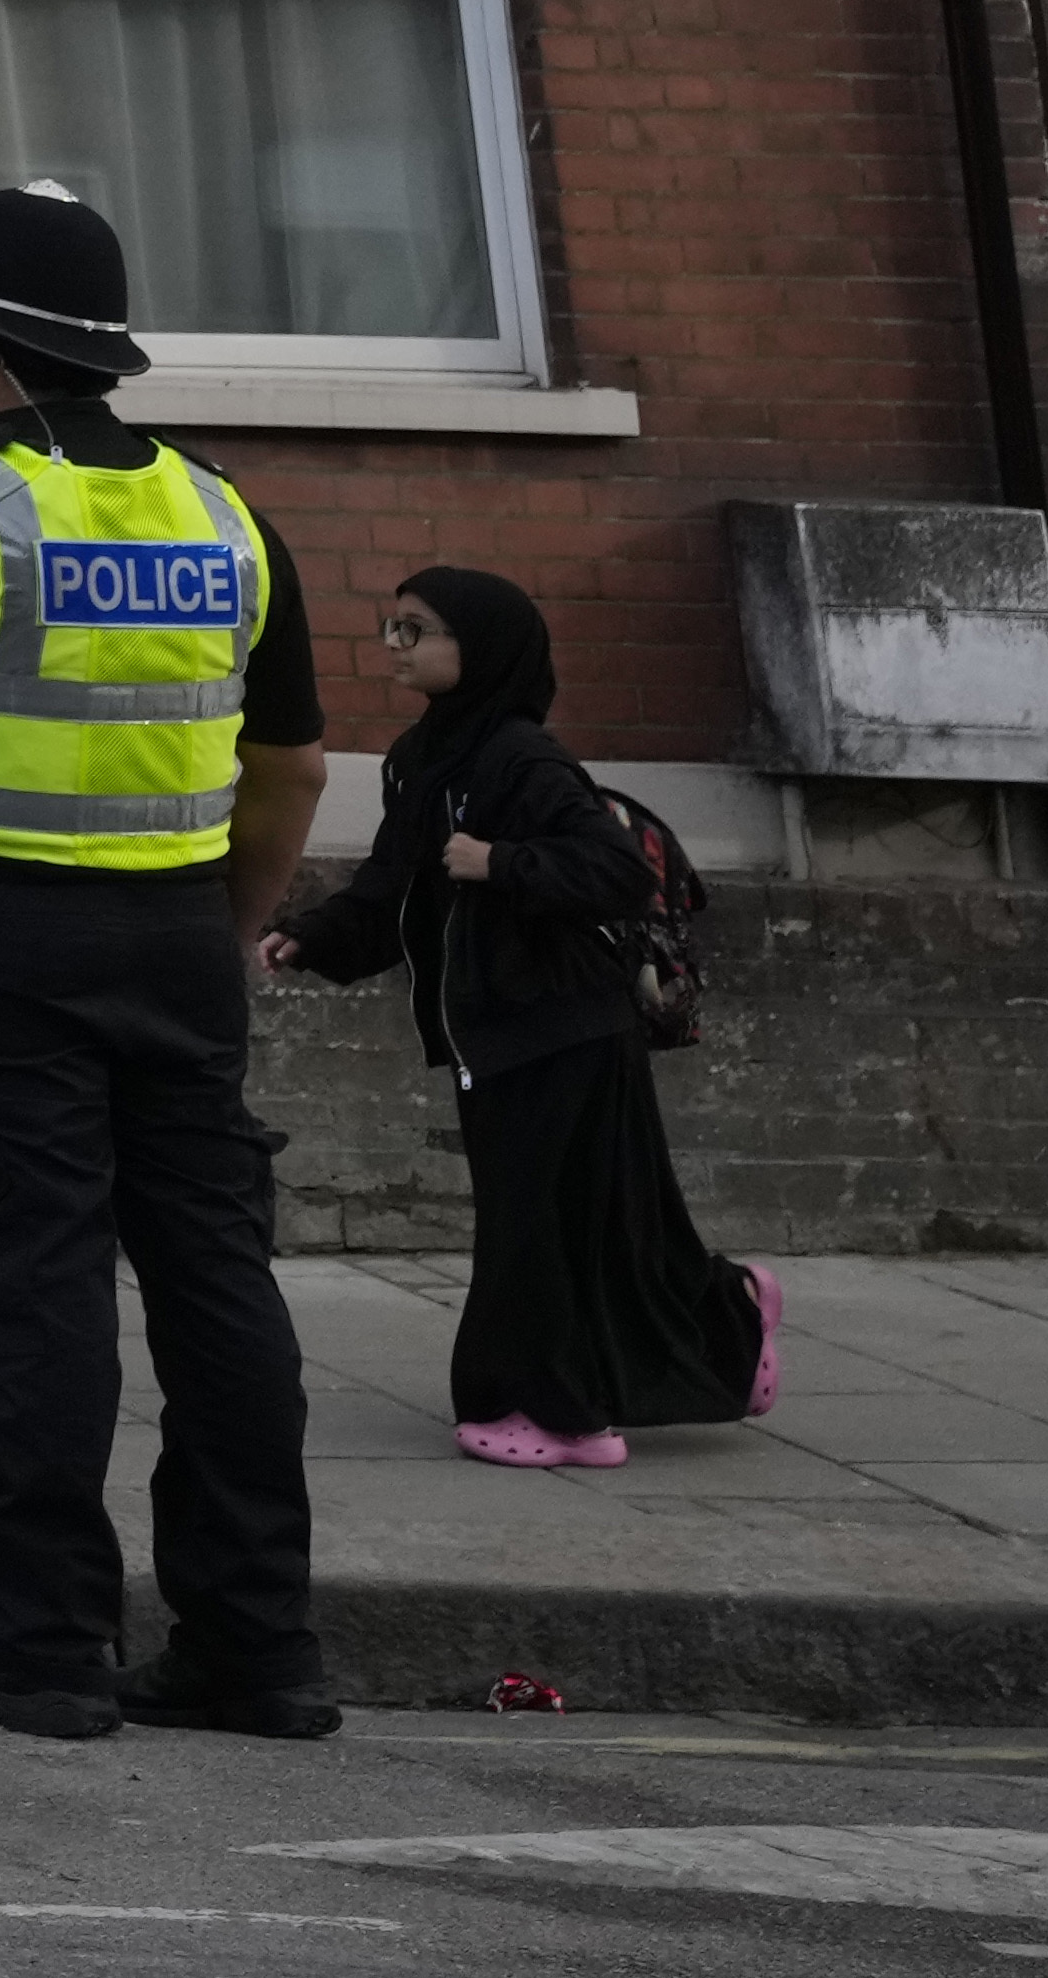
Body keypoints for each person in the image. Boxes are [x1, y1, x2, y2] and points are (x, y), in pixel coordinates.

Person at [0, 183, 338, 1745]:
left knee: (33, 1292)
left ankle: (40, 1642)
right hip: (178, 937)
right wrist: (232, 923)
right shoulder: (223, 512)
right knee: (215, 1285)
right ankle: (256, 1646)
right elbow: (295, 770)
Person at [273, 566, 771, 1472]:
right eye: (394, 627)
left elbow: (619, 872)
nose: (395, 645)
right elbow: (393, 890)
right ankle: (723, 1313)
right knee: (601, 1220)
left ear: (484, 648)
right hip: (500, 1029)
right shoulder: (422, 757)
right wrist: (312, 938)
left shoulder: (522, 758)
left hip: (565, 1025)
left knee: (532, 1227)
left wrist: (503, 863)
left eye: (417, 630)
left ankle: (555, 1415)